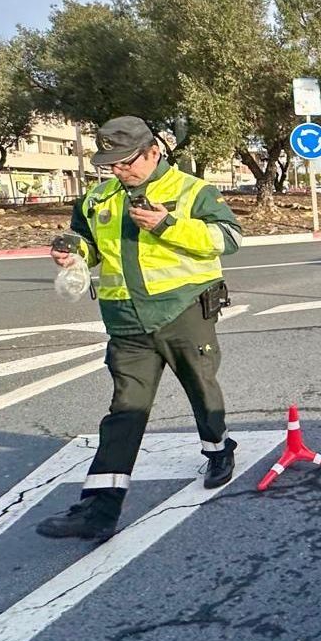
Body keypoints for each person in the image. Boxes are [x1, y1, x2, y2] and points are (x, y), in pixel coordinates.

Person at [36, 116, 245, 541]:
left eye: (126, 161)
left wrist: (168, 225)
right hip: (127, 321)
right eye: (110, 164)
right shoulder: (97, 198)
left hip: (184, 310)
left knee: (201, 388)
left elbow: (229, 237)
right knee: (125, 410)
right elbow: (88, 244)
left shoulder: (191, 190)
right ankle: (98, 511)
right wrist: (73, 252)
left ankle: (218, 449)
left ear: (153, 152)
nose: (118, 170)